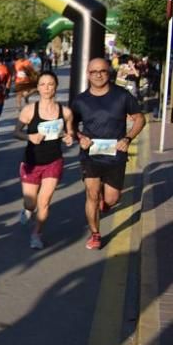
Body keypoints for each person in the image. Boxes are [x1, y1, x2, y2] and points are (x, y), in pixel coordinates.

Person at [71, 58, 146, 250]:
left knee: (112, 199)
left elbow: (139, 119)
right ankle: (95, 234)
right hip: (90, 155)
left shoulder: (122, 95)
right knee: (92, 195)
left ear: (109, 73)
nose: (98, 74)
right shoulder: (80, 100)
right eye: (94, 71)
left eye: (102, 71)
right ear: (88, 74)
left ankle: (105, 203)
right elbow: (69, 125)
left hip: (115, 155)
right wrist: (80, 137)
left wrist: (127, 138)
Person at [13, 71, 75, 249]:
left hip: (53, 161)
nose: (46, 88)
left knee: (44, 202)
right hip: (31, 162)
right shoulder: (29, 110)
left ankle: (36, 234)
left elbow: (69, 132)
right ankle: (27, 209)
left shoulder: (66, 112)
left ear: (55, 86)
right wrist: (29, 137)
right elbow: (16, 132)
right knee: (30, 202)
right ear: (37, 87)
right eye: (43, 84)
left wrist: (69, 137)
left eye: (50, 84)